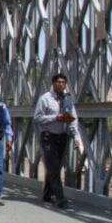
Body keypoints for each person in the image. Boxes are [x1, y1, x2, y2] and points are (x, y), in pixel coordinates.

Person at [33, 73, 82, 209]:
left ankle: (47, 194)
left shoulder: (67, 99)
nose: (61, 84)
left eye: (63, 82)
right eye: (58, 82)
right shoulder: (45, 99)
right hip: (49, 137)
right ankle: (60, 198)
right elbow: (37, 118)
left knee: (55, 166)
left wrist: (76, 137)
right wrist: (55, 118)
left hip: (62, 137)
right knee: (54, 167)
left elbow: (73, 119)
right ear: (53, 83)